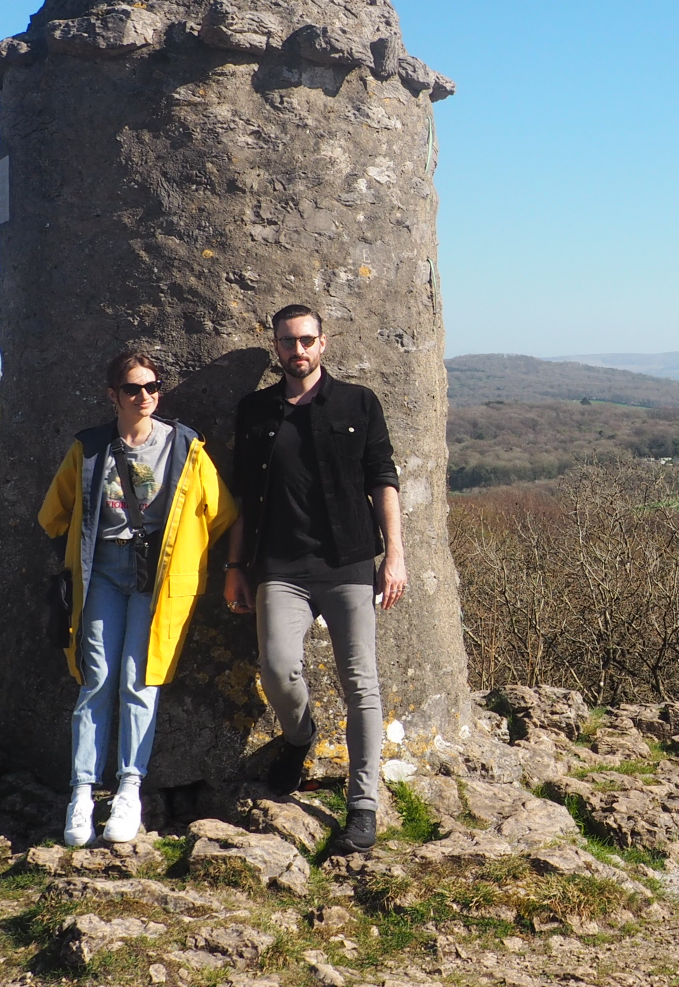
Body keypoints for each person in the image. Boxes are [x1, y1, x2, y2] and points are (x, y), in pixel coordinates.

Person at [223, 303, 407, 856]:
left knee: (361, 684)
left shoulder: (357, 402)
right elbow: (241, 500)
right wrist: (235, 567)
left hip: (349, 562)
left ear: (323, 344)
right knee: (277, 667)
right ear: (275, 347)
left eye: (306, 340)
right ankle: (300, 736)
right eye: (287, 342)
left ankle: (363, 805)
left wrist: (393, 555)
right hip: (279, 565)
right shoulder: (255, 410)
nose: (297, 350)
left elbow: (383, 480)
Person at [39, 349, 238, 847]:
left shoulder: (185, 448)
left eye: (152, 387)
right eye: (133, 389)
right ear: (114, 395)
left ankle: (130, 789)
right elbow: (52, 514)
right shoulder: (87, 449)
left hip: (158, 577)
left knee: (140, 679)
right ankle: (82, 793)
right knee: (96, 678)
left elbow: (221, 513)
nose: (144, 396)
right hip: (101, 572)